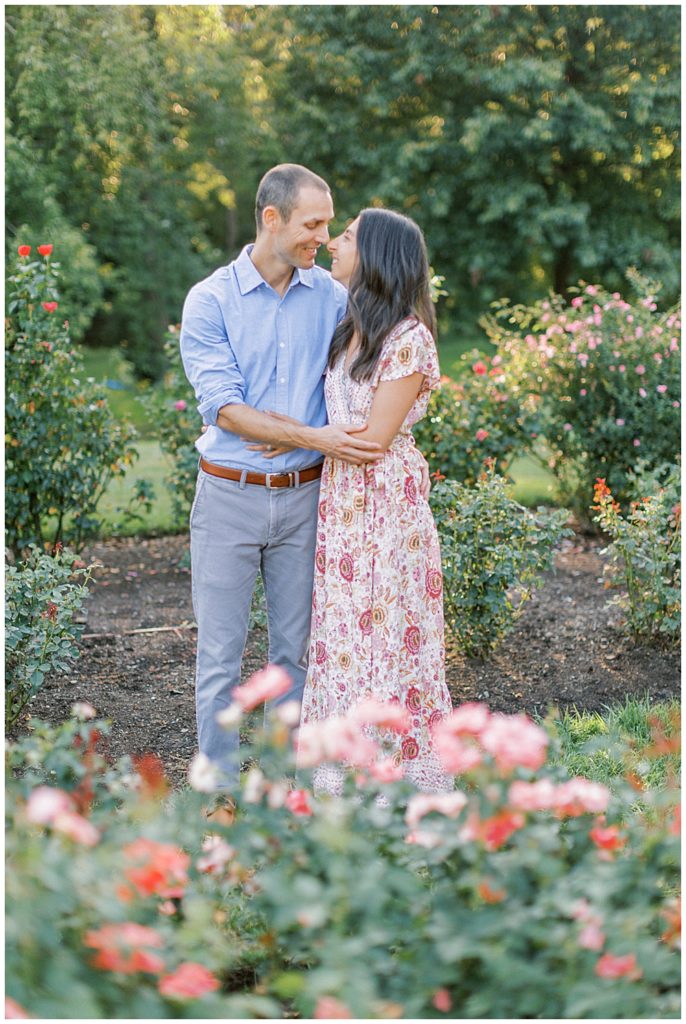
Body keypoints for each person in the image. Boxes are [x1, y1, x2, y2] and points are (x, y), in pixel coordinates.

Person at [180, 164, 387, 792]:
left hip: (306, 503)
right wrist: (306, 436)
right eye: (312, 224)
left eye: (328, 225)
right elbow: (226, 408)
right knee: (219, 660)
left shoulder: (331, 296)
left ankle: (277, 790)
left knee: (293, 655)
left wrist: (293, 437)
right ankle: (216, 792)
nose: (322, 237)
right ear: (272, 219)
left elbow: (382, 359)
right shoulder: (210, 300)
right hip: (228, 498)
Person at [255, 208, 454, 795]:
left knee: (387, 636)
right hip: (342, 506)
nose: (335, 244)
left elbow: (372, 441)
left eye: (346, 238)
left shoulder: (408, 338)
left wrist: (290, 435)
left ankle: (397, 776)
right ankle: (338, 776)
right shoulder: (351, 326)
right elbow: (341, 426)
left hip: (386, 508)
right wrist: (303, 444)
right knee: (343, 637)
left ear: (377, 256)